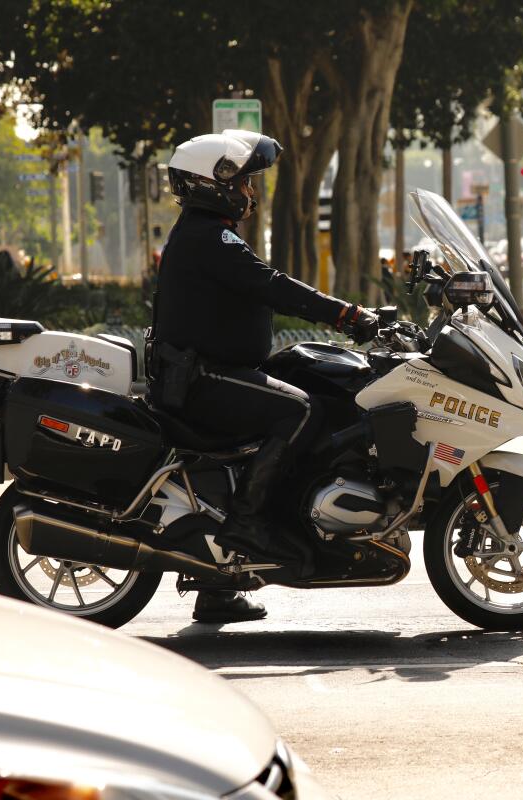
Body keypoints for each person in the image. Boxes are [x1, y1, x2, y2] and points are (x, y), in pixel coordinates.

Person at [150, 129, 379, 622]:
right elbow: (275, 287)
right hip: (201, 380)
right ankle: (248, 525)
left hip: (207, 372)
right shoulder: (209, 239)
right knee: (299, 410)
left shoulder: (205, 235)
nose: (249, 193)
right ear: (216, 183)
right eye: (245, 183)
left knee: (298, 377)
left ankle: (219, 586)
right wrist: (349, 316)